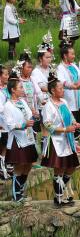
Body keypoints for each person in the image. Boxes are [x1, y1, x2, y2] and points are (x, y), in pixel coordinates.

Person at [40, 73, 80, 207]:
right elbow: (47, 125)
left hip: (67, 140)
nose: (63, 90)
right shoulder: (48, 106)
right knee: (59, 169)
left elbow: (70, 115)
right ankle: (58, 198)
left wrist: (75, 124)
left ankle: (62, 190)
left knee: (72, 166)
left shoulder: (64, 102)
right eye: (60, 88)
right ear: (53, 90)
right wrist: (64, 129)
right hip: (57, 141)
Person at [2, 75, 37, 203]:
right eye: (20, 87)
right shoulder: (7, 106)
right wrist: (24, 124)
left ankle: (21, 190)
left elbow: (29, 115)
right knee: (20, 165)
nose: (23, 89)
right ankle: (16, 196)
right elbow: (10, 125)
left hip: (28, 137)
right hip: (17, 139)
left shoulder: (22, 102)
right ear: (13, 90)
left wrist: (33, 117)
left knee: (28, 164)